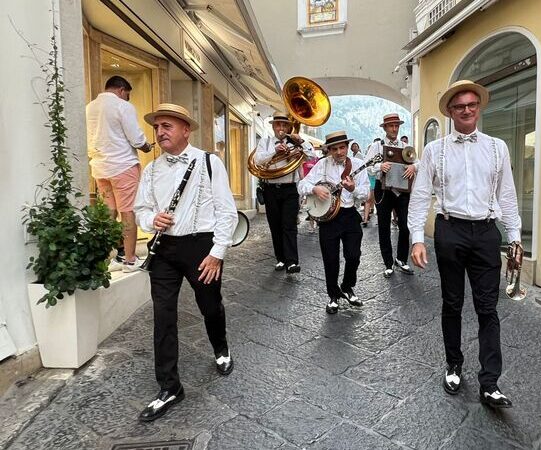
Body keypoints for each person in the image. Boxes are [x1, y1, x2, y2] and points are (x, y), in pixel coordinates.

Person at [408, 80, 522, 408]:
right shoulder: (435, 150)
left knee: (488, 308)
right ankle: (454, 364)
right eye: (460, 106)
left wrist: (514, 236)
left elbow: (507, 194)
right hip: (450, 231)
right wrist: (417, 239)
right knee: (452, 303)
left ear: (479, 108)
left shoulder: (497, 147)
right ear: (451, 112)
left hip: (486, 233)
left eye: (472, 104)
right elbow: (420, 197)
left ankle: (490, 382)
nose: (467, 110)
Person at [134, 103, 238, 421]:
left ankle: (220, 348)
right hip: (164, 250)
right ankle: (169, 388)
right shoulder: (151, 170)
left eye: (167, 126)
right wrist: (153, 218)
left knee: (210, 305)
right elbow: (140, 209)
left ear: (185, 130)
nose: (160, 132)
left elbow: (227, 210)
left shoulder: (209, 161)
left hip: (201, 247)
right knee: (163, 316)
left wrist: (217, 252)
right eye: (157, 127)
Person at [86, 75, 153, 272]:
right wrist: (147, 146)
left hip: (100, 168)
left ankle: (106, 259)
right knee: (127, 211)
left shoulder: (90, 107)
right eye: (128, 95)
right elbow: (136, 138)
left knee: (108, 213)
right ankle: (130, 260)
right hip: (123, 165)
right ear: (122, 90)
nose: (127, 99)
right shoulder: (122, 106)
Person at [298, 131, 369, 314]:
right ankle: (333, 296)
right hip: (329, 219)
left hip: (350, 215)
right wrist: (315, 188)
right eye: (335, 149)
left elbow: (366, 193)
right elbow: (301, 185)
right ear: (329, 150)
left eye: (342, 147)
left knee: (353, 255)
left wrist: (353, 189)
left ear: (347, 147)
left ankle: (347, 286)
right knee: (330, 259)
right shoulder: (322, 165)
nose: (339, 152)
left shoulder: (359, 165)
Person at [253, 111, 315, 273]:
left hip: (289, 189)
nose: (281, 128)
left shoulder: (295, 143)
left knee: (289, 225)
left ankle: (292, 261)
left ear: (289, 127)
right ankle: (280, 259)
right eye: (278, 124)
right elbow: (257, 160)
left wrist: (301, 141)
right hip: (270, 188)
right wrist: (275, 152)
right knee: (275, 225)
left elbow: (311, 155)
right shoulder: (265, 143)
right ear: (273, 126)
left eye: (284, 125)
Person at [365, 114, 418, 278]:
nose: (394, 129)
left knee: (404, 226)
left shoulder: (405, 146)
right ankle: (388, 263)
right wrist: (380, 166)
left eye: (396, 126)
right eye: (391, 126)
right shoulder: (377, 147)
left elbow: (419, 161)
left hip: (401, 192)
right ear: (385, 128)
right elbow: (367, 165)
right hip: (384, 190)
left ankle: (401, 259)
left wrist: (414, 167)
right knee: (383, 227)